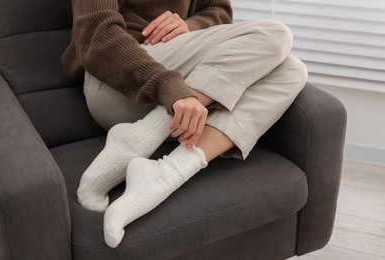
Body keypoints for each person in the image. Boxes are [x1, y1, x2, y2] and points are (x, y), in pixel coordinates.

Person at [62, 0, 308, 248]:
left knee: (292, 69)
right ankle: (141, 137)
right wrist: (172, 91)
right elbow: (96, 34)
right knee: (275, 33)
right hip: (116, 82)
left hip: (178, 85)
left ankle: (165, 173)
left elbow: (219, 12)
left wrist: (191, 26)